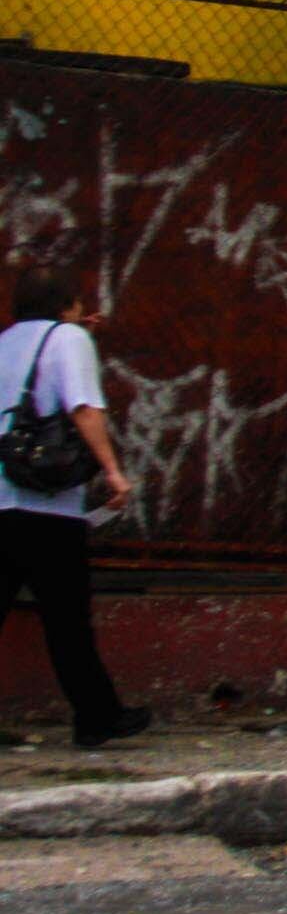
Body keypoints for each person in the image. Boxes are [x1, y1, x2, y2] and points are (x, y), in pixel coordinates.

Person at [0, 267, 148, 748]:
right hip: (47, 507)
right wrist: (112, 470)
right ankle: (97, 717)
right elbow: (84, 407)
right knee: (67, 619)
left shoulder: (6, 342)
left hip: (2, 498)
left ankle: (99, 713)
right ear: (68, 305)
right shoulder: (69, 340)